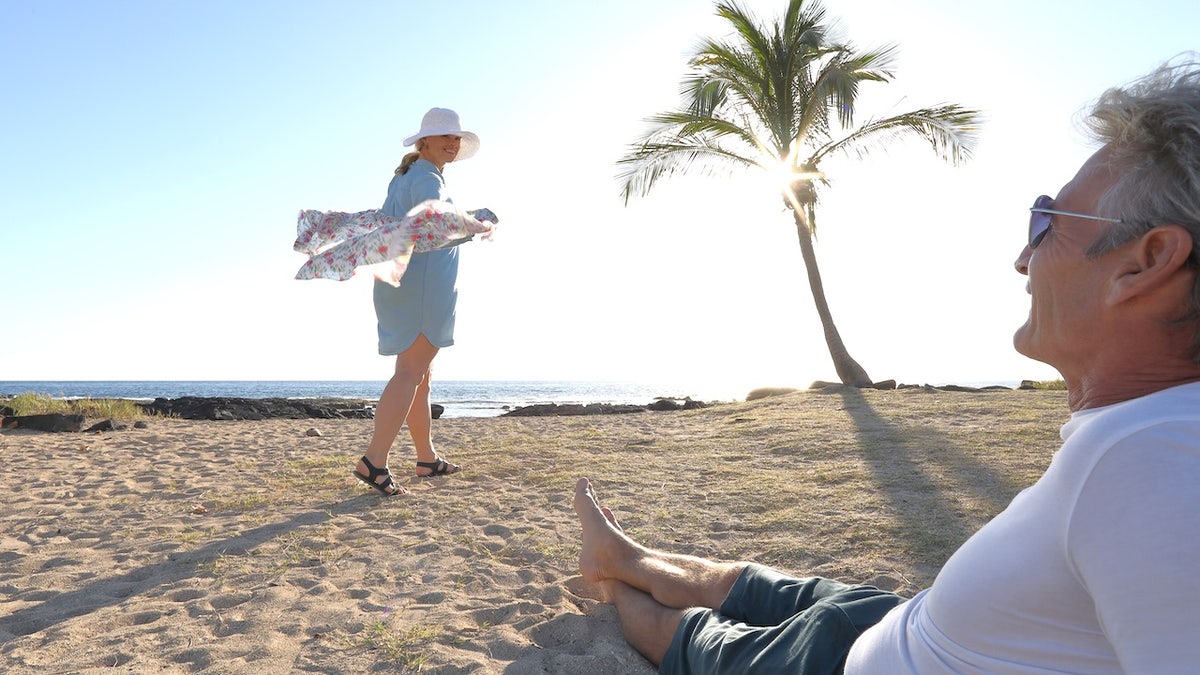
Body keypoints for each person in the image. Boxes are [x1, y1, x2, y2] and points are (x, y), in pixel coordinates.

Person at [573, 55, 1200, 673]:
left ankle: (619, 586)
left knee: (691, 636)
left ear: (1145, 264)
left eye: (1047, 221)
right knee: (773, 590)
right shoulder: (1150, 436)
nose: (1021, 259)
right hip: (910, 620)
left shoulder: (1154, 465)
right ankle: (626, 558)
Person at [353, 107, 489, 496]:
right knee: (411, 373)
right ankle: (373, 460)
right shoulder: (427, 176)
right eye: (445, 135)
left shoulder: (406, 176)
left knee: (419, 375)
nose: (452, 142)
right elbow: (434, 226)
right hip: (425, 285)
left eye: (456, 136)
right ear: (423, 141)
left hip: (401, 280)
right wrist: (474, 224)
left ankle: (426, 458)